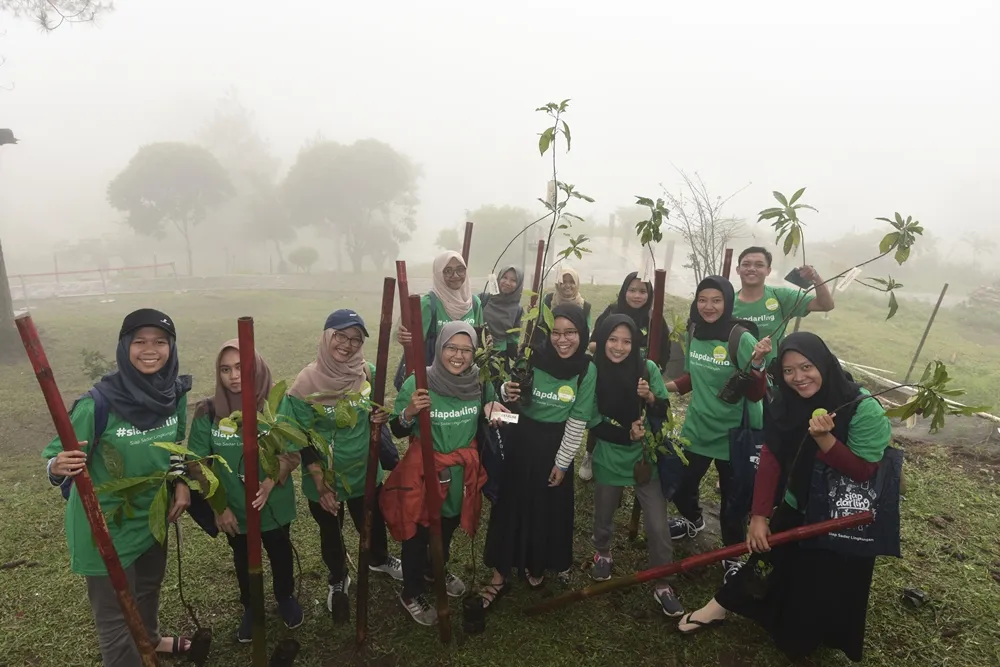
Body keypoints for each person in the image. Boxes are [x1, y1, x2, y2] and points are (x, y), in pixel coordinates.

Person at [678, 332, 892, 664]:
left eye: (806, 367)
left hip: (841, 517)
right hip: (796, 504)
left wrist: (825, 440)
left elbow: (864, 471)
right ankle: (719, 607)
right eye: (789, 371)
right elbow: (772, 458)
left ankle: (805, 634)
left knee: (818, 581)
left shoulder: (863, 410)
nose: (798, 378)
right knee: (765, 559)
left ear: (823, 363)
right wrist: (761, 515)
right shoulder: (787, 402)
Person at [43, 309, 193, 665]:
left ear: (171, 347)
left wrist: (181, 483)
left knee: (148, 588)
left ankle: (152, 640)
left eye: (159, 342)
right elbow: (55, 456)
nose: (150, 350)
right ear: (125, 346)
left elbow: (177, 447)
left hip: (152, 515)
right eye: (139, 341)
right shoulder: (98, 404)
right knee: (114, 619)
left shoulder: (174, 393)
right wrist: (56, 465)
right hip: (105, 524)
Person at [382, 322, 509, 626]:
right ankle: (411, 592)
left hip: (461, 476)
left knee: (448, 524)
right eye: (452, 347)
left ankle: (434, 568)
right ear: (440, 347)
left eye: (466, 350)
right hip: (425, 474)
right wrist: (409, 411)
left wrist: (494, 410)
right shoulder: (419, 382)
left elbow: (491, 411)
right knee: (418, 533)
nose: (458, 355)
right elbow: (398, 430)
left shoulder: (478, 384)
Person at [280, 310, 402, 617]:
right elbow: (302, 438)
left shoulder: (367, 372)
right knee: (330, 531)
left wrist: (380, 415)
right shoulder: (305, 384)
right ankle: (338, 578)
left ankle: (379, 558)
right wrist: (321, 484)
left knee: (371, 522)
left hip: (363, 470)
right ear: (326, 336)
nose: (347, 345)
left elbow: (375, 409)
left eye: (355, 339)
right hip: (326, 478)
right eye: (340, 336)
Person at [187, 339, 302, 641]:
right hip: (234, 507)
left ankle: (285, 597)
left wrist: (268, 481)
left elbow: (292, 451)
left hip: (273, 502)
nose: (233, 376)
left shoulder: (276, 404)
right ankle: (251, 607)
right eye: (225, 369)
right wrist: (219, 507)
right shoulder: (208, 411)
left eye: (240, 367)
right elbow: (198, 464)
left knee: (279, 550)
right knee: (243, 557)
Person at [481, 304, 597, 604]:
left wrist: (562, 463)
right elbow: (509, 398)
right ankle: (500, 572)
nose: (563, 340)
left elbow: (577, 420)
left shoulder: (586, 369)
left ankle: (536, 564)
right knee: (511, 504)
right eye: (556, 332)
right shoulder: (532, 357)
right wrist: (507, 392)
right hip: (521, 437)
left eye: (570, 332)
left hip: (557, 443)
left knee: (546, 505)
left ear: (582, 333)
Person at [664, 277, 770, 581]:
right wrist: (661, 387)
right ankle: (693, 519)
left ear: (727, 303)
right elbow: (691, 378)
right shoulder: (695, 331)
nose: (708, 306)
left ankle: (733, 555)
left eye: (716, 300)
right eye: (702, 300)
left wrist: (758, 366)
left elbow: (756, 393)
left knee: (733, 502)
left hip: (735, 434)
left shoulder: (740, 338)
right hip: (699, 426)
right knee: (682, 484)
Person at [587, 314, 683, 616]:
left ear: (635, 344)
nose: (619, 347)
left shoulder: (646, 368)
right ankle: (602, 552)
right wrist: (623, 434)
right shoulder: (593, 370)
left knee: (657, 523)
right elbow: (591, 419)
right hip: (609, 454)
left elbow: (665, 409)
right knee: (604, 512)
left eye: (626, 341)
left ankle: (663, 581)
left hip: (645, 457)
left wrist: (650, 397)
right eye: (612, 340)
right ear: (602, 341)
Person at [580, 271, 672, 481]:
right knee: (603, 409)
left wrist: (648, 367)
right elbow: (594, 343)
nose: (637, 296)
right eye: (632, 290)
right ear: (624, 291)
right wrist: (616, 348)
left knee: (636, 415)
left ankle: (639, 455)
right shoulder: (612, 311)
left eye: (642, 291)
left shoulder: (654, 319)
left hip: (638, 377)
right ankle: (591, 454)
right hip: (609, 372)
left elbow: (664, 349)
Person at [733, 246, 835, 369]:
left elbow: (825, 305)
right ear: (738, 269)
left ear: (768, 270)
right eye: (746, 264)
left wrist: (815, 278)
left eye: (759, 265)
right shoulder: (727, 303)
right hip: (737, 374)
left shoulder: (781, 296)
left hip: (774, 373)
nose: (752, 269)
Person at [397, 251, 484, 351]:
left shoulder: (474, 302)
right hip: (433, 365)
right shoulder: (428, 303)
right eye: (448, 271)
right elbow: (414, 343)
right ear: (438, 274)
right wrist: (405, 338)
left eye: (460, 269)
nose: (455, 275)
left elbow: (478, 340)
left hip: (466, 364)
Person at [481, 265, 524, 366]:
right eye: (504, 277)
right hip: (479, 351)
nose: (507, 282)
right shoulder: (484, 299)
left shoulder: (518, 310)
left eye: (513, 280)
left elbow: (512, 340)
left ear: (518, 285)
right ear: (499, 278)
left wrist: (521, 356)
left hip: (499, 357)